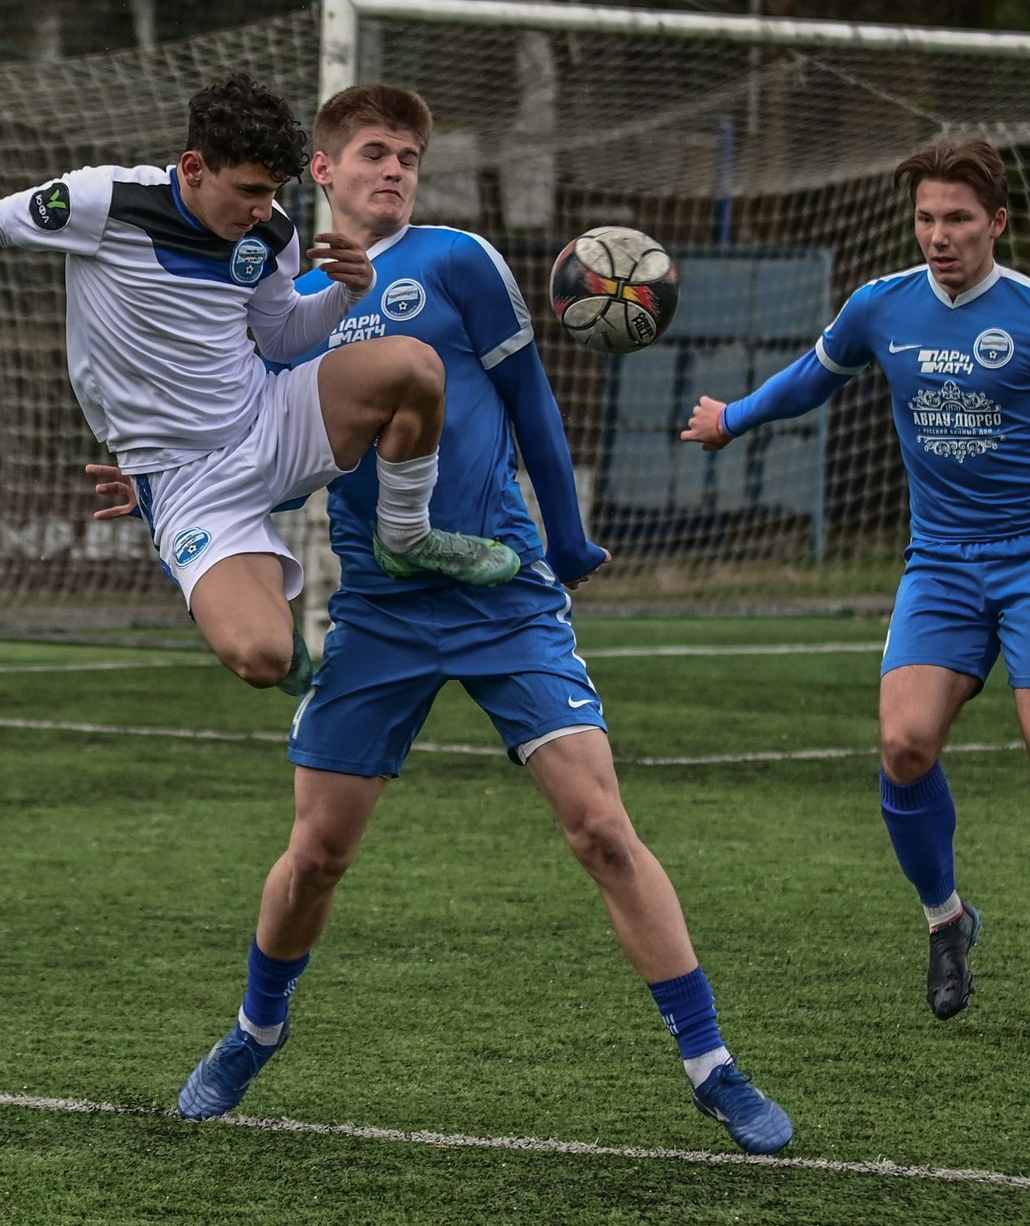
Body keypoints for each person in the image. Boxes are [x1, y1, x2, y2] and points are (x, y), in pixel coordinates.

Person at [93, 84, 792, 1152]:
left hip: (503, 587)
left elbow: (531, 408)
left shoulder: (460, 264)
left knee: (601, 826)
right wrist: (157, 480)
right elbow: (258, 460)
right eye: (374, 153)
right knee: (316, 854)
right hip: (379, 606)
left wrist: (563, 536)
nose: (395, 170)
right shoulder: (275, 291)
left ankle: (713, 1065)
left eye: (410, 156)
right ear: (320, 172)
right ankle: (253, 1029)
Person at [682, 139, 1030, 1040]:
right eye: (926, 217)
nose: (938, 235)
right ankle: (947, 918)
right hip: (941, 560)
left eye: (958, 218)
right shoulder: (880, 307)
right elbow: (816, 373)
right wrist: (734, 417)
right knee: (904, 743)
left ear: (996, 223)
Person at [0, 73, 518, 697]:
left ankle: (406, 537)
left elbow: (280, 339)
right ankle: (260, 606)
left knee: (412, 365)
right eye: (247, 190)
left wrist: (346, 295)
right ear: (193, 167)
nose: (260, 209)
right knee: (262, 658)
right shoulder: (105, 201)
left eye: (271, 193)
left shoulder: (270, 233)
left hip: (270, 420)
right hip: (186, 478)